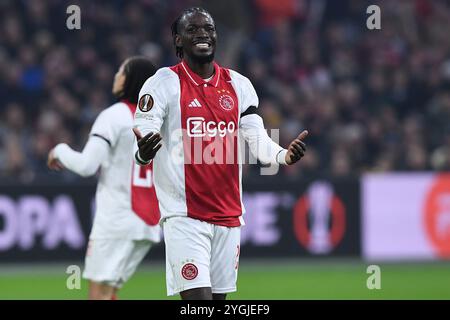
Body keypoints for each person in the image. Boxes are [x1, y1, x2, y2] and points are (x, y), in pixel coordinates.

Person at [132, 7, 308, 300]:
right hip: (184, 216)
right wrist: (143, 153)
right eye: (193, 29)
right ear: (178, 41)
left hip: (228, 217)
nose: (203, 33)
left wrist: (283, 156)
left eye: (209, 29)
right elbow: (143, 130)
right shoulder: (163, 83)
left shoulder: (239, 85)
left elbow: (257, 139)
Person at [47, 57, 161, 300]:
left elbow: (87, 166)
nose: (116, 75)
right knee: (110, 294)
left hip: (117, 218)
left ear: (131, 80)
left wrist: (59, 150)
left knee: (98, 294)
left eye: (121, 71)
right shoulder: (159, 121)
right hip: (148, 222)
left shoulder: (114, 115)